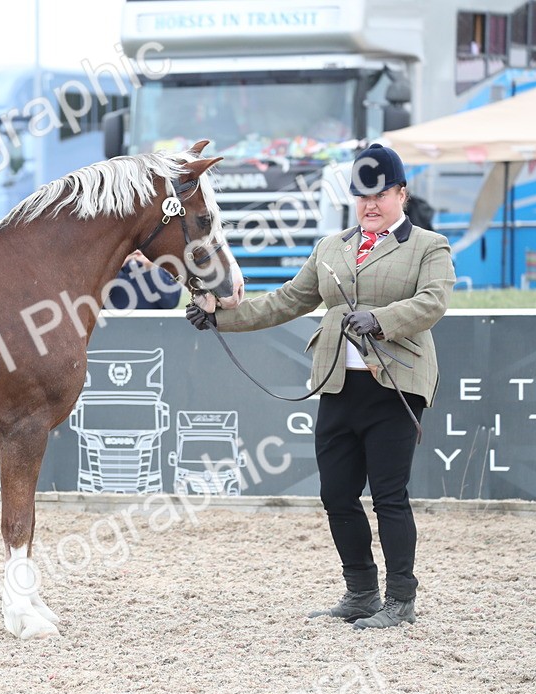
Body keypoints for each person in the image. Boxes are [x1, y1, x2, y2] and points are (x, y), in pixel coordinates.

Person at [186, 143, 455, 629]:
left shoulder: (428, 246)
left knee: (388, 495)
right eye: (361, 196)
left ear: (401, 194)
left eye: (380, 194)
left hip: (395, 385)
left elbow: (434, 302)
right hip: (337, 386)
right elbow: (287, 301)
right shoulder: (330, 248)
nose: (370, 205)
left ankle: (401, 598)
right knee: (336, 494)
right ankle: (361, 592)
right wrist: (218, 318)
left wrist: (382, 319)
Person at [106, 250, 186, 310]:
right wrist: (116, 266)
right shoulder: (107, 269)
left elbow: (171, 302)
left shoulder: (161, 269)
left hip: (151, 328)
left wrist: (151, 269)